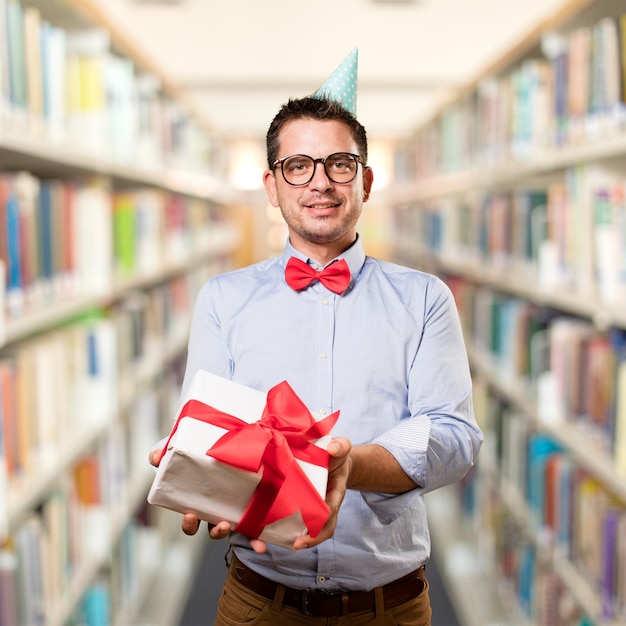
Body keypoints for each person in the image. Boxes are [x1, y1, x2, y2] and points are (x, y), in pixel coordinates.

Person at [150, 55, 482, 625]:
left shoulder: (426, 299)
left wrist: (353, 466)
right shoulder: (222, 299)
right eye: (298, 166)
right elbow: (206, 427)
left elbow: (454, 438)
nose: (321, 182)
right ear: (272, 188)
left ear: (367, 181)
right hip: (258, 600)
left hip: (390, 607)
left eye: (340, 163)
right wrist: (199, 478)